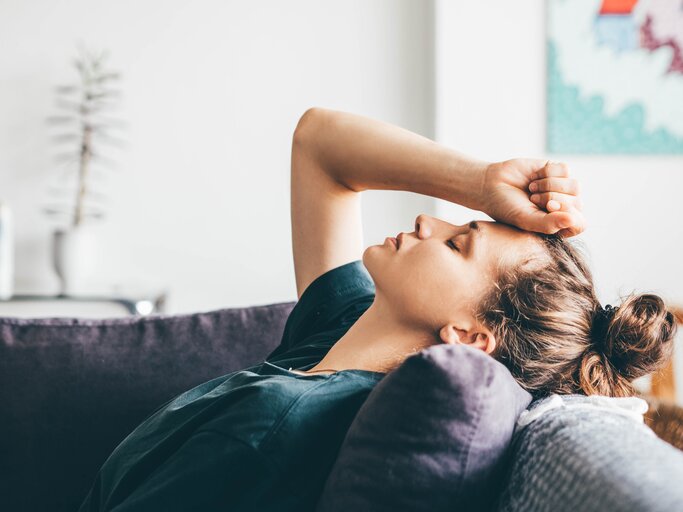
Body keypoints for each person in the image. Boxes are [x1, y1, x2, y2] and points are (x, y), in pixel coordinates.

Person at [79, 108, 676, 511]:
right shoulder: (340, 332)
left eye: (456, 242)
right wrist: (483, 182)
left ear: (468, 336)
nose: (427, 218)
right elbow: (319, 141)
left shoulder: (277, 423)